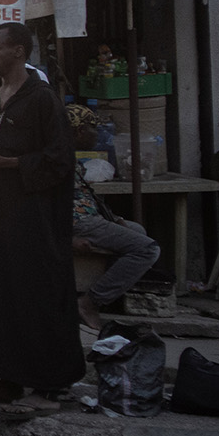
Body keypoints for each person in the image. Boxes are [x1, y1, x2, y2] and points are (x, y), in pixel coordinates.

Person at [0, 22, 85, 406]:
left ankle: (52, 377)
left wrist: (10, 164)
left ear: (18, 51)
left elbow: (60, 159)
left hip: (36, 213)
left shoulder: (42, 99)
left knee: (40, 292)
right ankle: (6, 378)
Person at [69, 103, 161, 330]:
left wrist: (114, 218)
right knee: (147, 249)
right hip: (81, 224)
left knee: (136, 231)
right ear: (80, 131)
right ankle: (90, 302)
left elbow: (85, 199)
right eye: (94, 129)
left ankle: (106, 295)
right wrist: (67, 237)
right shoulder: (58, 159)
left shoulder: (70, 158)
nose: (98, 135)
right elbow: (50, 206)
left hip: (88, 220)